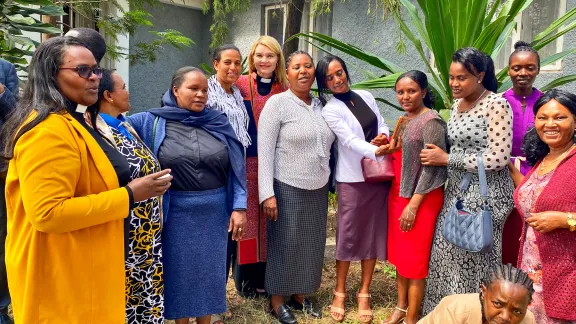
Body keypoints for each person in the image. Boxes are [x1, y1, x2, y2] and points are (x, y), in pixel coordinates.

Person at [1, 36, 170, 323]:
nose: (94, 78)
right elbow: (48, 213)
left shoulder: (76, 119)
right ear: (51, 75)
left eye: (96, 70)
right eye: (82, 71)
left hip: (86, 265)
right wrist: (129, 195)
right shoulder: (47, 131)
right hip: (61, 276)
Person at [127, 66, 247, 324]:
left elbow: (236, 168)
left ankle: (205, 321)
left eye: (204, 90)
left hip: (214, 212)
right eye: (193, 89)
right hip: (176, 212)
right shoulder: (151, 121)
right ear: (175, 90)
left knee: (210, 275)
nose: (201, 94)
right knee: (179, 275)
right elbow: (113, 126)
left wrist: (239, 207)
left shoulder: (217, 121)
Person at [421, 47, 515, 315]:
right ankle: (443, 316)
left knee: (474, 260)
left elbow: (498, 157)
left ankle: (474, 317)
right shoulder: (456, 105)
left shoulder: (496, 104)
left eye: (461, 78)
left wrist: (447, 159)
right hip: (458, 192)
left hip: (485, 196)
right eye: (451, 77)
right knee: (445, 257)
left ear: (480, 76)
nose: (454, 83)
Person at [258, 51, 335, 324]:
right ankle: (277, 300)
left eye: (308, 66)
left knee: (312, 244)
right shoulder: (277, 104)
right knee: (285, 243)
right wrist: (267, 194)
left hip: (318, 185)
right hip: (286, 185)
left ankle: (301, 295)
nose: (303, 71)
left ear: (315, 72)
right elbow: (264, 152)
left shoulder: (323, 104)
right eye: (296, 67)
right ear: (287, 73)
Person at [316, 54, 391, 323]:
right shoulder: (330, 109)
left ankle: (364, 292)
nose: (337, 79)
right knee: (347, 237)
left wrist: (384, 135)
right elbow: (347, 141)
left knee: (372, 233)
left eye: (340, 73)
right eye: (329, 77)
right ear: (324, 83)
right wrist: (378, 150)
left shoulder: (365, 95)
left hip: (377, 178)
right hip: (351, 179)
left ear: (346, 72)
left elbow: (381, 122)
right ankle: (339, 291)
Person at [87, 69, 164, 323]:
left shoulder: (125, 125)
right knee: (127, 297)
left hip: (147, 231)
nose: (128, 91)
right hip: (127, 230)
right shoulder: (96, 132)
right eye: (123, 87)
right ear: (108, 95)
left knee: (145, 295)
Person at [383, 71, 448, 324]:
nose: (405, 96)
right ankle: (400, 307)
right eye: (400, 92)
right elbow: (408, 155)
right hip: (399, 194)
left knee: (416, 261)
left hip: (421, 199)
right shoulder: (408, 119)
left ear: (423, 91)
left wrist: (413, 205)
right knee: (401, 257)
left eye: (411, 91)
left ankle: (412, 317)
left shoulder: (431, 121)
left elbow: (432, 168)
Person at [509, 89, 576, 323]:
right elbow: (536, 194)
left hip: (566, 272)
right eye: (542, 117)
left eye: (559, 117)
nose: (550, 124)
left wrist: (565, 220)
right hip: (532, 271)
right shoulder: (544, 158)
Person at [232, 35, 289, 298]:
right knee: (248, 223)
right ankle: (245, 283)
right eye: (259, 55)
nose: (264, 61)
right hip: (245, 165)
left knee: (270, 222)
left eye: (269, 56)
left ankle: (271, 279)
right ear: (251, 59)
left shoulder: (286, 89)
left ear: (278, 59)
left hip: (277, 165)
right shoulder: (240, 85)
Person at [501, 41, 544, 266]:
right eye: (516, 68)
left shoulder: (547, 102)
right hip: (502, 172)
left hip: (537, 172)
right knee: (507, 230)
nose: (523, 73)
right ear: (508, 70)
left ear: (538, 69)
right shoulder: (498, 102)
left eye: (530, 67)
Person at [418, 263, 536, 324]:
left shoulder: (528, 320)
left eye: (516, 311)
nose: (505, 317)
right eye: (498, 304)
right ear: (484, 292)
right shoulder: (455, 312)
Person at [0, 57, 18, 324]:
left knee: (2, 236)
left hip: (0, 168)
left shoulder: (5, 68)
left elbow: (15, 113)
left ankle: (2, 307)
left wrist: (2, 92)